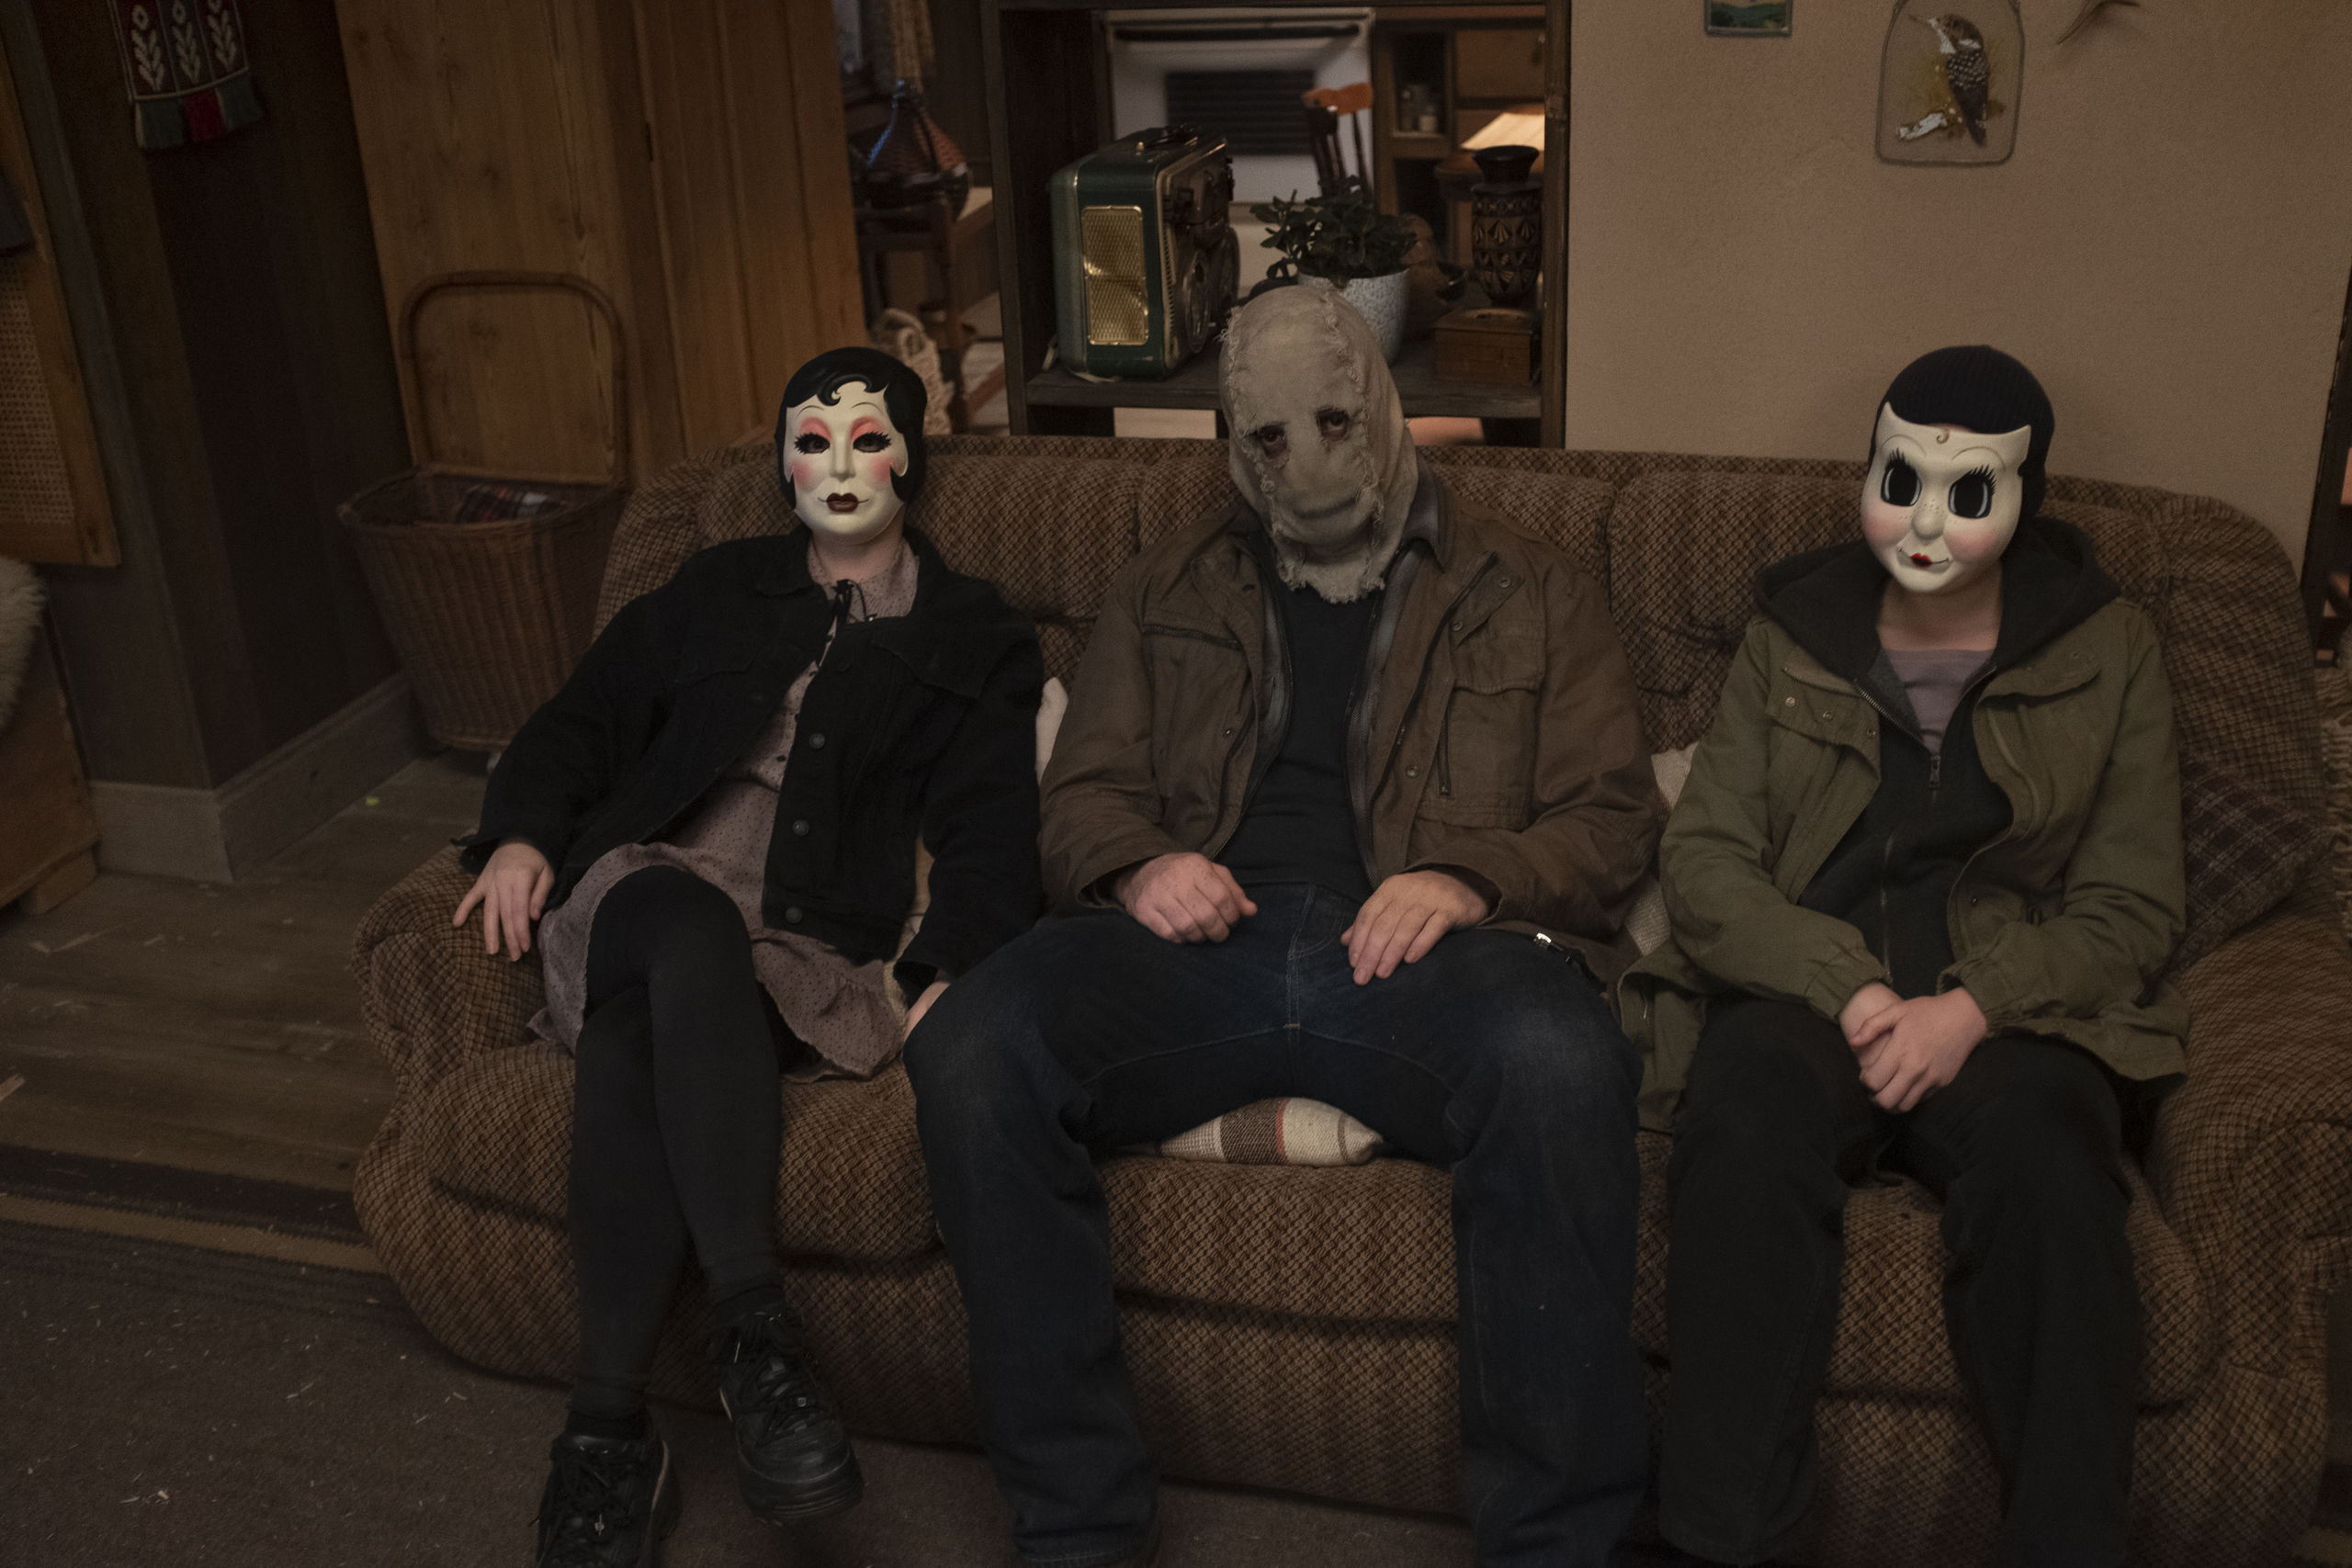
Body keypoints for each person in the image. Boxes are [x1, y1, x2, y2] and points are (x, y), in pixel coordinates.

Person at [902, 280, 1662, 1568]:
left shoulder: (1533, 588)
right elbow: (1081, 797)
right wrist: (1139, 866)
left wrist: (1468, 878)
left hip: (1428, 956)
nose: (1305, 459)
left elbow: (1613, 817)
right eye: (1267, 436)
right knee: (973, 1045)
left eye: (1333, 420)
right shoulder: (1163, 582)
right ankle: (1079, 1528)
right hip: (1198, 949)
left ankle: (1556, 1546)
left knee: (1560, 1059)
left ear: (1383, 403)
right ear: (1230, 442)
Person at [450, 346, 1044, 1568]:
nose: (840, 464)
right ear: (782, 467)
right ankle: (758, 1335)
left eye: (868, 438)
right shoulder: (715, 587)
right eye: (812, 442)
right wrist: (519, 836)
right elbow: (579, 722)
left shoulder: (974, 634)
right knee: (685, 924)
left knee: (638, 1039)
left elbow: (993, 826)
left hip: (807, 944)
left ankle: (605, 1437)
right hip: (644, 886)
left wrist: (949, 961)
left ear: (910, 458)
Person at [1623, 346, 2187, 1568]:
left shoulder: (2111, 647)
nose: (1926, 522)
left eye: (1967, 491)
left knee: (2054, 1165)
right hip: (1809, 990)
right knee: (1743, 1125)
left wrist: (1973, 1007)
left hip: (2011, 1014)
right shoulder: (1792, 632)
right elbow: (1708, 863)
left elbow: (2134, 905)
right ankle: (1721, 1542)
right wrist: (1849, 986)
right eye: (1900, 480)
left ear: (2026, 496)